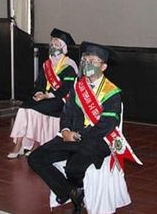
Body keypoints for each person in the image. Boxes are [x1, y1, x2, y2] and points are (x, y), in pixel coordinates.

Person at [28, 42, 126, 212]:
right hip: (71, 136)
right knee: (35, 158)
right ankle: (69, 192)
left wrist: (78, 135)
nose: (87, 64)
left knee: (74, 167)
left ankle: (77, 202)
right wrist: (65, 131)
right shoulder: (77, 86)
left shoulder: (112, 92)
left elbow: (107, 125)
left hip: (97, 140)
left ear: (103, 67)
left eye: (93, 61)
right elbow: (66, 114)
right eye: (85, 59)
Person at [9, 28, 79, 159]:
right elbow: (39, 83)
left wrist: (47, 96)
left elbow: (65, 89)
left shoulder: (69, 66)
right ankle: (19, 144)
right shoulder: (47, 64)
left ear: (64, 48)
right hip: (45, 97)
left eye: (57, 44)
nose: (53, 47)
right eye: (52, 44)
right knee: (24, 107)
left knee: (34, 110)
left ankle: (36, 144)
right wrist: (39, 93)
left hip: (60, 100)